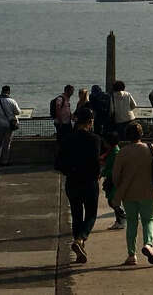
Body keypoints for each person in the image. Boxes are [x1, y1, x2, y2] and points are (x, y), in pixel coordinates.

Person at [113, 121, 153, 266]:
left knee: (132, 222)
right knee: (148, 220)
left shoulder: (122, 152)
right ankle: (148, 244)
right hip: (148, 191)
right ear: (141, 134)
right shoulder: (150, 148)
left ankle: (131, 255)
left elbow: (115, 176)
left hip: (128, 193)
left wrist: (119, 188)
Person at [59, 106, 102, 264]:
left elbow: (59, 163)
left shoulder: (67, 138)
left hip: (72, 181)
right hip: (89, 181)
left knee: (76, 214)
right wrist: (97, 175)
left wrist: (70, 171)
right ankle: (80, 239)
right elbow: (96, 163)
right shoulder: (94, 139)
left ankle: (79, 249)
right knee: (91, 214)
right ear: (90, 121)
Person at [101, 131, 126, 230]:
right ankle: (119, 220)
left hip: (114, 181)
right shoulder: (112, 151)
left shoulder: (115, 153)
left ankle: (122, 218)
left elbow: (114, 169)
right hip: (111, 180)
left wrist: (103, 173)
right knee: (112, 201)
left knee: (113, 201)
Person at [0, 85, 21, 166]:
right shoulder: (12, 101)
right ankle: (4, 161)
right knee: (6, 144)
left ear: (2, 91)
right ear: (9, 92)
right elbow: (18, 112)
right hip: (9, 125)